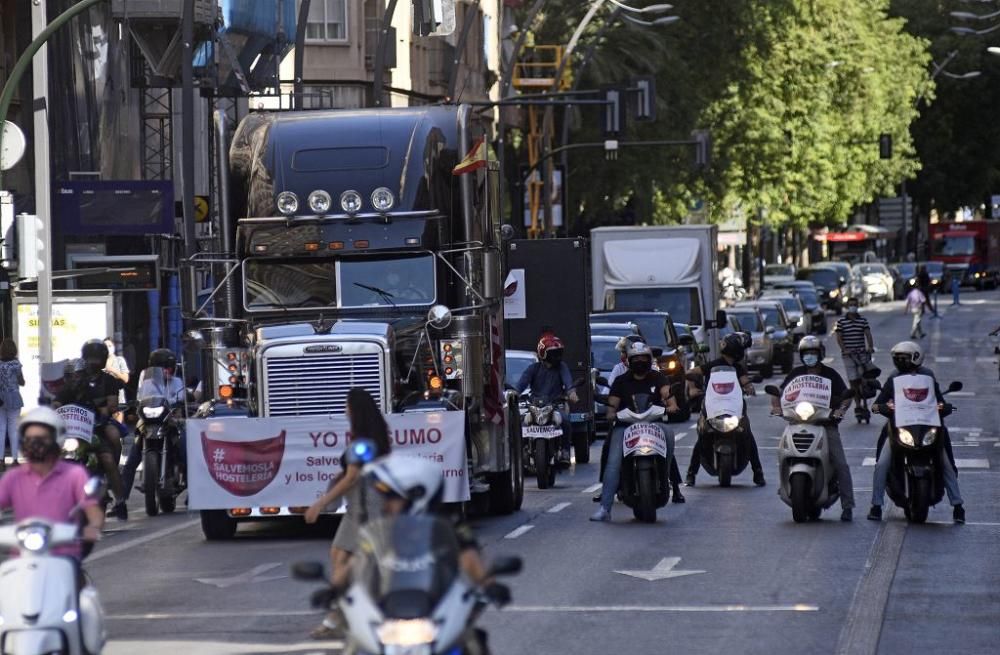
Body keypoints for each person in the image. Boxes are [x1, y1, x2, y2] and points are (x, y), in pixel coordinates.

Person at [304, 387, 392, 639]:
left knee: (347, 570)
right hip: (357, 509)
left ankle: (337, 619)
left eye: (347, 405)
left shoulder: (363, 441)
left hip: (367, 511)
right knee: (338, 558)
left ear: (355, 409)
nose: (344, 409)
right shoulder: (372, 436)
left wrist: (320, 504)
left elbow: (353, 476)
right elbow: (354, 472)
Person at [867, 341, 965, 523]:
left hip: (927, 426)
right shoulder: (894, 378)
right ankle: (876, 505)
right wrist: (883, 408)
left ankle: (958, 506)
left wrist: (945, 407)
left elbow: (939, 400)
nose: (899, 362)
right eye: (897, 359)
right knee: (882, 463)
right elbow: (875, 406)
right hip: (899, 426)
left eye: (902, 358)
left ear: (916, 358)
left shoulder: (928, 376)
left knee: (946, 463)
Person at [0, 408, 105, 561]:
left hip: (64, 557)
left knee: (83, 585)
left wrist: (93, 528)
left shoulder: (75, 474)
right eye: (29, 439)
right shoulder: (14, 477)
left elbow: (92, 510)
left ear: (56, 439)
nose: (35, 444)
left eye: (41, 438)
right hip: (22, 560)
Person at [590, 341, 678, 522]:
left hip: (654, 423)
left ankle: (667, 476)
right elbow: (611, 407)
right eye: (635, 359)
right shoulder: (621, 381)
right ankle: (605, 508)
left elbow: (669, 397)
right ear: (629, 361)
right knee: (613, 461)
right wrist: (612, 413)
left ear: (649, 360)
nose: (640, 361)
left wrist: (671, 406)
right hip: (626, 426)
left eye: (643, 358)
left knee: (669, 436)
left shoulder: (657, 377)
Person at [770, 336, 856, 521]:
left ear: (820, 354)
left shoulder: (830, 374)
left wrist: (841, 410)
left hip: (825, 425)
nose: (810, 357)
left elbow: (846, 396)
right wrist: (777, 406)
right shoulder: (796, 374)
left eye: (813, 353)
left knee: (841, 463)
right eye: (806, 354)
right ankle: (784, 484)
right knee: (782, 452)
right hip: (798, 422)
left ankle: (848, 505)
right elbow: (780, 392)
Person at [54, 339, 128, 520]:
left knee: (109, 456)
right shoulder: (71, 385)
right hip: (74, 431)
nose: (93, 362)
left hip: (97, 427)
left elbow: (111, 404)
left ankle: (120, 501)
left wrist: (104, 409)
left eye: (97, 358)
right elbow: (57, 402)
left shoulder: (107, 380)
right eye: (72, 375)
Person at [685, 332, 766, 487]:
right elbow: (690, 373)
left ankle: (758, 472)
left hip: (733, 408)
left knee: (747, 434)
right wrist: (693, 388)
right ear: (737, 351)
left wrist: (749, 386)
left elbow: (744, 382)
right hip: (712, 407)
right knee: (702, 436)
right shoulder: (713, 365)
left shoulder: (737, 368)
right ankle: (691, 474)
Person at [119, 349, 187, 505]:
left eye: (168, 367)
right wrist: (133, 406)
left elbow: (181, 400)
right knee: (131, 460)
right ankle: (121, 501)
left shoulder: (177, 382)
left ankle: (194, 491)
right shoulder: (146, 381)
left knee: (186, 451)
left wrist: (180, 404)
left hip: (169, 421)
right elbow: (140, 398)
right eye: (161, 367)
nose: (166, 371)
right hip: (149, 421)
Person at [515, 334, 579, 466]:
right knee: (521, 424)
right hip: (535, 406)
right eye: (553, 353)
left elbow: (568, 382)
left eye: (558, 353)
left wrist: (571, 392)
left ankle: (566, 451)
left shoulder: (562, 367)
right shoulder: (533, 368)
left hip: (555, 405)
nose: (557, 356)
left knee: (566, 420)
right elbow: (521, 384)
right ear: (543, 353)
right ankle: (522, 452)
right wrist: (514, 394)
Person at [834, 298, 875, 413]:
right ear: (847, 307)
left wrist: (870, 347)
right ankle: (858, 405)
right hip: (848, 356)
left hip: (862, 354)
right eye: (850, 305)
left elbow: (868, 334)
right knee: (853, 380)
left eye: (855, 304)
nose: (853, 306)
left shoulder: (863, 321)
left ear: (858, 306)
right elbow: (839, 337)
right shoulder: (842, 322)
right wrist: (844, 349)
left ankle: (866, 401)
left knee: (864, 377)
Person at [0, 338, 25, 472]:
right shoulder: (16, 364)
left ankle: (1, 461)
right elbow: (22, 382)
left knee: (1, 430)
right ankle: (15, 460)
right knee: (13, 430)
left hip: (1, 399)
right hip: (14, 398)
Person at [104, 337, 130, 422]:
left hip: (118, 397)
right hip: (104, 399)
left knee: (118, 425)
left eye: (110, 345)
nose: (108, 348)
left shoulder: (119, 360)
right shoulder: (101, 361)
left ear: (114, 346)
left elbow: (126, 378)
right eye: (105, 346)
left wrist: (113, 370)